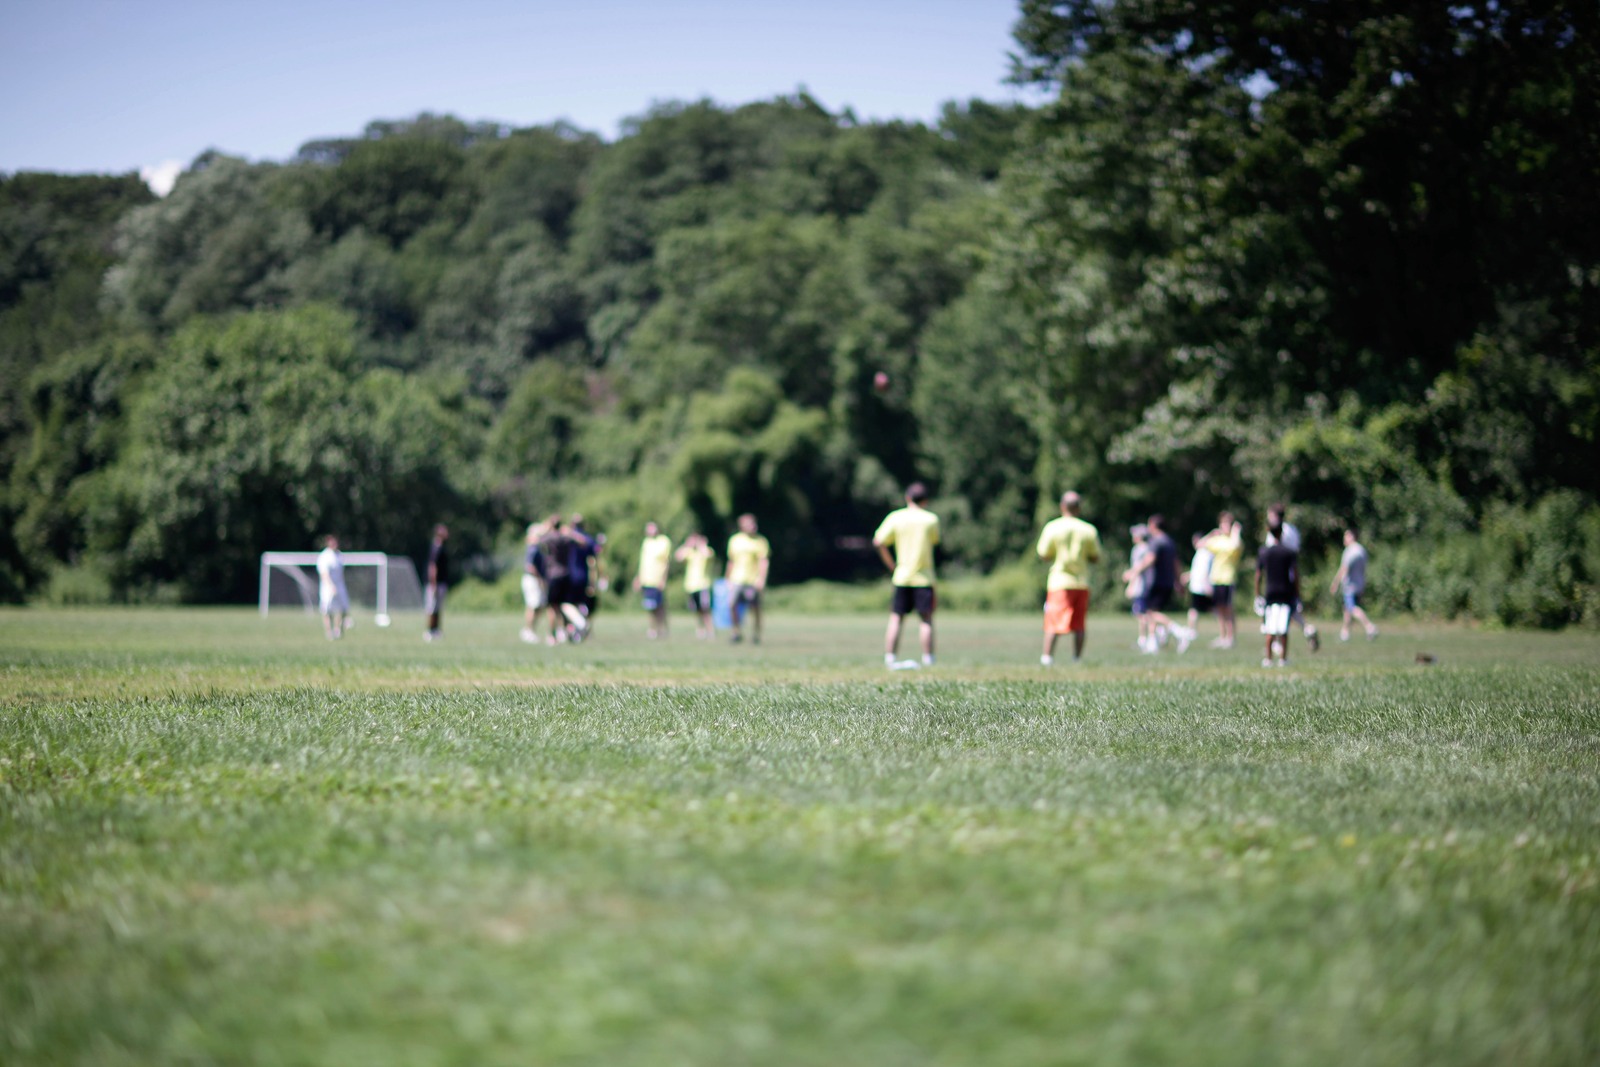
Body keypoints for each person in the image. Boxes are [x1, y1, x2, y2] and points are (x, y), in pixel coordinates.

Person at [873, 482, 941, 669]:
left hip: (901, 575)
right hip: (924, 577)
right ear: (925, 500)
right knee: (926, 619)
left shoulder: (896, 517)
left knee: (896, 618)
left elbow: (878, 541)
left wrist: (891, 565)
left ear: (907, 498)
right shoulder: (931, 519)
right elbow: (935, 541)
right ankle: (928, 659)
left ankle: (890, 658)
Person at [1036, 491, 1101, 666]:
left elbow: (1043, 554)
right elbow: (1095, 557)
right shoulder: (1088, 529)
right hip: (1081, 582)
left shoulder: (1052, 527)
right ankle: (1077, 659)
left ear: (1062, 506)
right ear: (1079, 508)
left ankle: (1047, 658)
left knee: (1054, 621)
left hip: (1059, 581)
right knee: (1079, 624)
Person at [1125, 514, 1196, 653]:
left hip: (1156, 581)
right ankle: (1153, 644)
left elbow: (1149, 560)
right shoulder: (1170, 541)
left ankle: (1179, 631)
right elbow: (1176, 564)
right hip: (1167, 582)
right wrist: (1178, 581)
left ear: (1153, 525)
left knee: (1149, 613)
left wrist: (1133, 571)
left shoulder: (1156, 541)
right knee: (1154, 612)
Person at [1266, 503, 1320, 651]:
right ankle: (1307, 629)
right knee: (1290, 609)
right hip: (1290, 573)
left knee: (1277, 610)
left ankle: (1277, 642)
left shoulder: (1274, 532)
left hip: (1277, 575)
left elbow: (1270, 554)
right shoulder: (1293, 530)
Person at [1255, 521, 1299, 667]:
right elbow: (1295, 575)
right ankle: (1283, 659)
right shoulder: (1289, 552)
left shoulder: (1264, 551)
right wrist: (1297, 594)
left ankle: (1268, 659)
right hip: (1285, 593)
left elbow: (1258, 575)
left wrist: (1257, 593)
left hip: (1270, 592)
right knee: (1283, 628)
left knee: (1270, 628)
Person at [1199, 512, 1243, 648]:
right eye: (1223, 524)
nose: (1225, 527)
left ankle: (1230, 637)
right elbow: (1200, 545)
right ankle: (1222, 636)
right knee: (1219, 609)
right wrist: (1212, 534)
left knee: (1228, 609)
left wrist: (1236, 532)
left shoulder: (1235, 540)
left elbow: (1236, 546)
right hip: (1216, 578)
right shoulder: (1217, 540)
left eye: (1228, 524)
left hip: (1228, 579)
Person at [725, 513, 770, 644]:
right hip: (736, 579)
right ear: (742, 526)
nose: (753, 526)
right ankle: (736, 631)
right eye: (749, 524)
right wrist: (727, 577)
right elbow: (731, 561)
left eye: (753, 523)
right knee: (731, 605)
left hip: (752, 580)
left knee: (755, 608)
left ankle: (756, 634)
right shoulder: (734, 540)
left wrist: (761, 579)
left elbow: (763, 561)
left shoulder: (760, 541)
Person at [1331, 527, 1379, 641]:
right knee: (1347, 609)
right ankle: (1345, 633)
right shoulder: (1362, 550)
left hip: (1350, 585)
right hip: (1360, 583)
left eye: (1346, 535)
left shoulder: (1350, 551)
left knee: (1352, 608)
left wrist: (1336, 583)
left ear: (1352, 537)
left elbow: (1344, 568)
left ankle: (1369, 626)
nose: (1344, 538)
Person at [534, 516, 577, 645]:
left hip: (553, 575)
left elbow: (536, 540)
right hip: (566, 573)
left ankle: (552, 635)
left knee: (552, 607)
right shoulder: (565, 538)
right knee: (563, 605)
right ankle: (566, 631)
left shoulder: (548, 538)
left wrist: (545, 529)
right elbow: (578, 541)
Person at [565, 514, 603, 639]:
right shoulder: (588, 539)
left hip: (570, 576)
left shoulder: (567, 537)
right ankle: (582, 629)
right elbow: (595, 557)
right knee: (584, 604)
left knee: (568, 605)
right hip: (584, 576)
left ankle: (578, 626)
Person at [634, 521, 673, 639]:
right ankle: (652, 629)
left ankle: (663, 628)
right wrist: (638, 577)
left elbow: (666, 562)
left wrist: (663, 579)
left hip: (657, 580)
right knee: (649, 607)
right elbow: (643, 562)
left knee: (659, 606)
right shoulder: (646, 542)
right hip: (647, 580)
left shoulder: (664, 541)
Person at [675, 533, 717, 639]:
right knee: (697, 610)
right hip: (691, 586)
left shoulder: (705, 551)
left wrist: (701, 545)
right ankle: (700, 629)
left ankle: (710, 630)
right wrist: (687, 545)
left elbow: (709, 554)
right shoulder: (689, 552)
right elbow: (678, 557)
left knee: (706, 609)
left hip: (703, 585)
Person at [1123, 524, 1154, 652]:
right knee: (1142, 612)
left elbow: (1138, 568)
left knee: (1141, 613)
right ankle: (1152, 633)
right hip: (1144, 584)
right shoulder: (1146, 548)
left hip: (1140, 585)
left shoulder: (1139, 549)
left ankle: (1144, 639)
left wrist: (1131, 583)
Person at [1182, 532, 1215, 642]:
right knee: (1196, 608)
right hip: (1198, 585)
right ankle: (1192, 630)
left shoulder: (1205, 553)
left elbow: (1204, 571)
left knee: (1196, 609)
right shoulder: (1200, 553)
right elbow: (1197, 570)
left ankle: (1192, 630)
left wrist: (1207, 584)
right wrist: (1188, 576)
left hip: (1201, 586)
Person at [316, 534, 350, 640]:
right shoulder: (324, 556)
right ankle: (329, 632)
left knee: (344, 609)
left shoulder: (339, 555)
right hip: (327, 586)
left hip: (340, 585)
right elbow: (323, 573)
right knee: (327, 610)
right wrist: (331, 586)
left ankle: (337, 630)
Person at [519, 522, 547, 644]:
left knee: (539, 606)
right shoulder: (533, 548)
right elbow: (530, 566)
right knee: (533, 606)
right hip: (532, 579)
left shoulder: (537, 547)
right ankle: (528, 630)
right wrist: (540, 578)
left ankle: (531, 630)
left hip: (534, 579)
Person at [424, 524, 449, 642]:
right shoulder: (436, 548)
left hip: (441, 583)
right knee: (431, 608)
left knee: (438, 608)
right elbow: (432, 567)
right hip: (436, 583)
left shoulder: (442, 547)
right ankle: (429, 630)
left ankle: (436, 630)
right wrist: (433, 584)